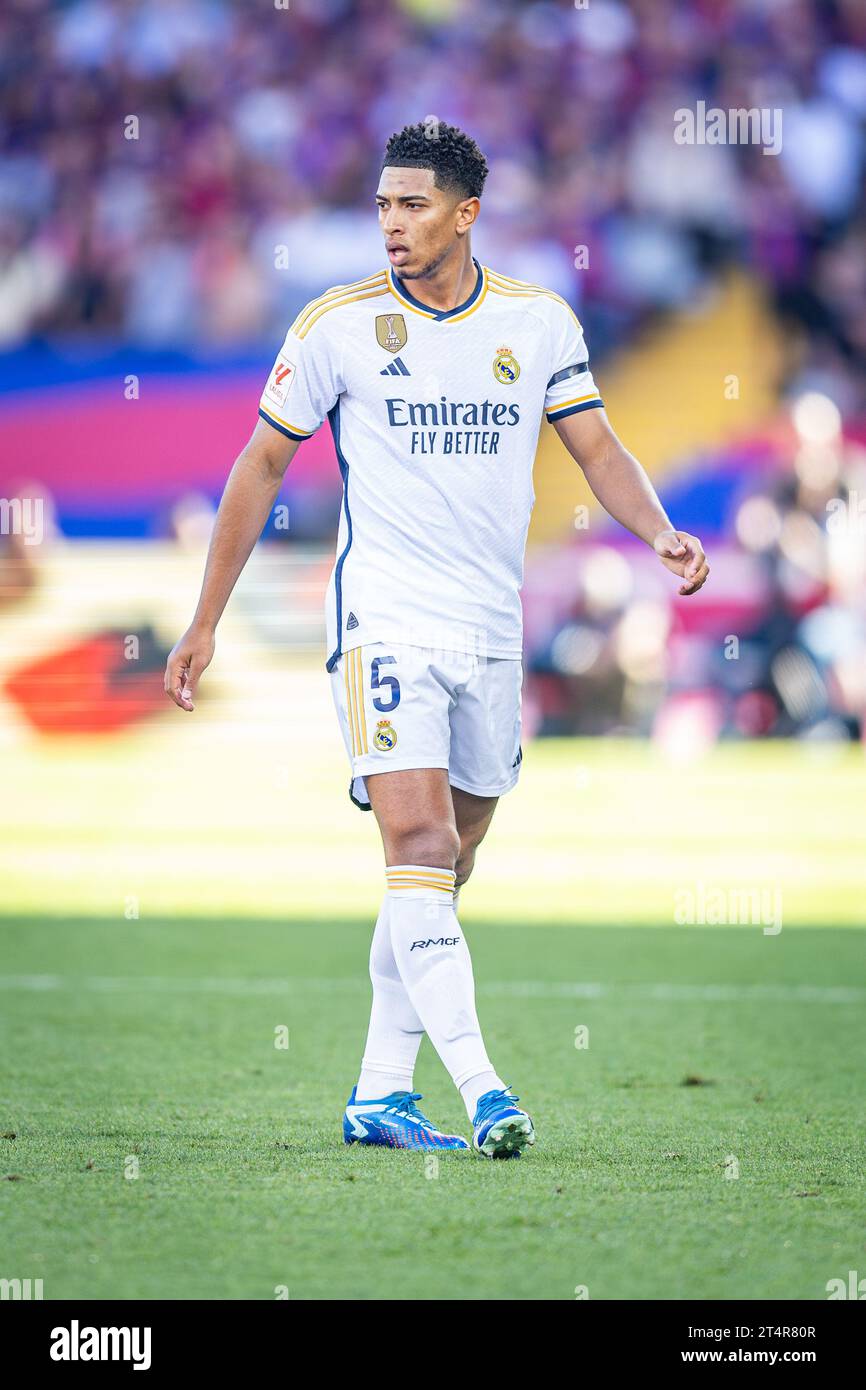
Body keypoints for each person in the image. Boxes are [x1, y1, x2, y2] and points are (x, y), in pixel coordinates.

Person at [164, 122, 709, 1159]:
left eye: (411, 206)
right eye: (380, 205)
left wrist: (658, 534)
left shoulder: (536, 322)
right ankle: (484, 1088)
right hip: (384, 618)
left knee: (446, 866)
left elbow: (595, 445)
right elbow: (259, 468)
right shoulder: (336, 324)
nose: (390, 225)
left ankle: (377, 1094)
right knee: (414, 847)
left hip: (489, 629)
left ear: (465, 214)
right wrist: (204, 619)